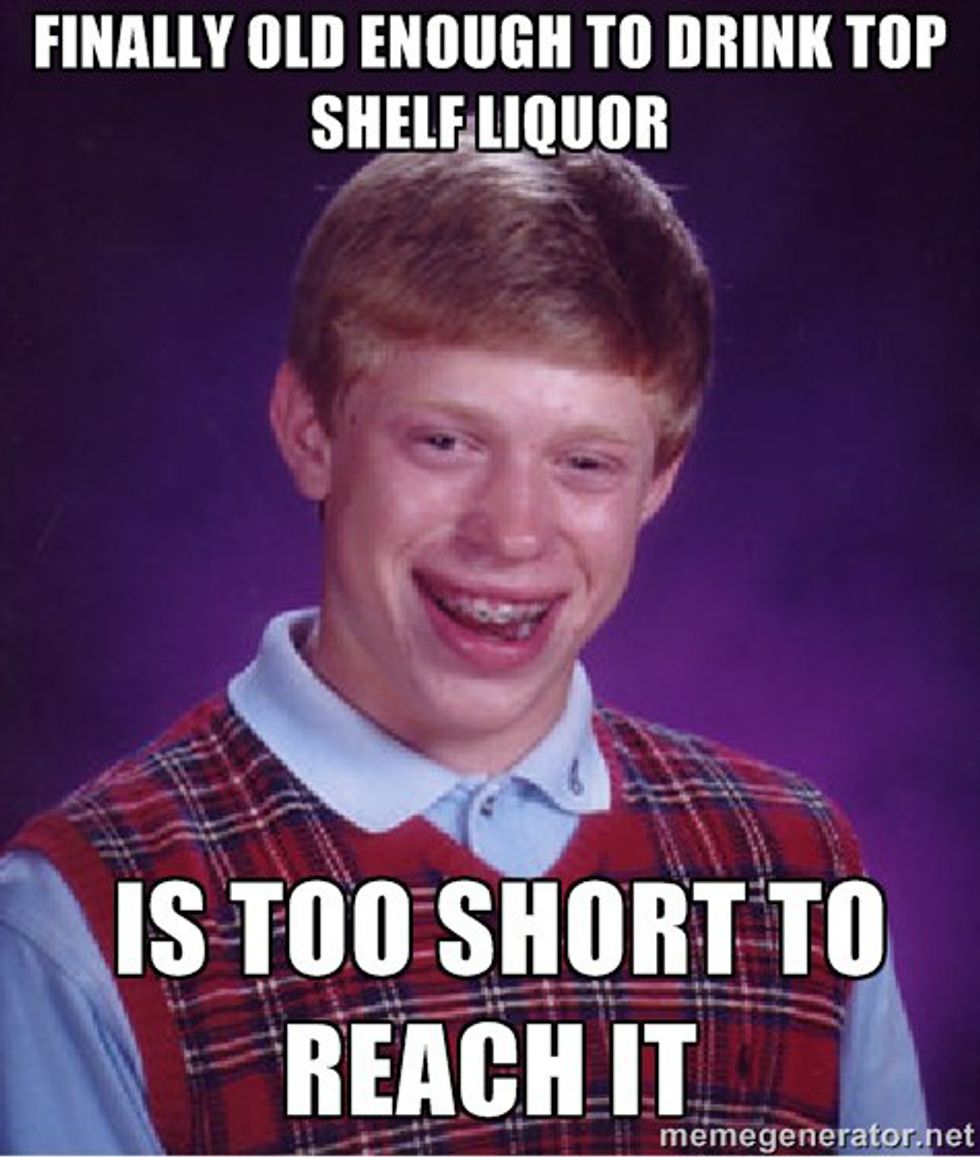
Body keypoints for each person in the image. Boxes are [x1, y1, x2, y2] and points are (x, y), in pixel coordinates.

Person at [0, 143, 928, 1154]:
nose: (512, 532)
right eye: (445, 442)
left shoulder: (795, 870)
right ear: (310, 432)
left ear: (656, 481)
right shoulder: (81, 924)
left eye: (584, 461)